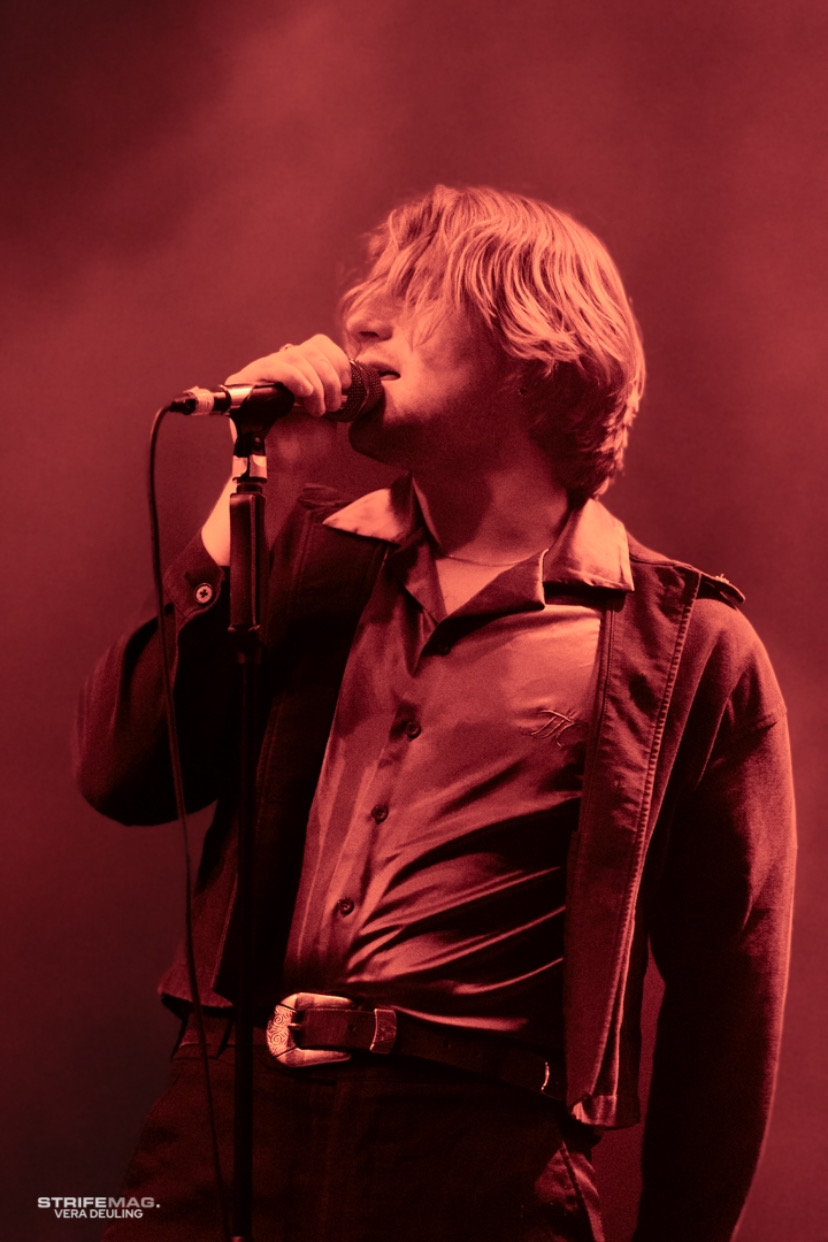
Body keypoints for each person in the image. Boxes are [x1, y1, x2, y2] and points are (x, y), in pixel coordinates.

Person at [74, 185, 796, 1242]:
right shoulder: (303, 562)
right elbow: (123, 769)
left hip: (479, 1163)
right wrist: (254, 500)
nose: (362, 319)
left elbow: (727, 1007)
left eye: (411, 292)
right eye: (366, 294)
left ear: (538, 348)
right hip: (226, 1126)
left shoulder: (687, 646)